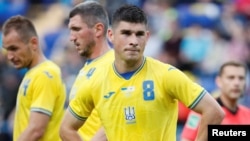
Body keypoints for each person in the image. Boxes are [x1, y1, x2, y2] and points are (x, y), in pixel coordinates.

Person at [60, 4, 224, 141]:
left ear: (147, 37)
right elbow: (66, 128)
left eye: (139, 34)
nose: (133, 41)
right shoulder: (95, 81)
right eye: (126, 33)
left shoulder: (166, 75)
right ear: (111, 35)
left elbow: (214, 111)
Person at [2, 15, 66, 141]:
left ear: (34, 43)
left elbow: (36, 130)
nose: (9, 56)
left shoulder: (45, 74)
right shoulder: (33, 73)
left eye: (14, 49)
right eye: (7, 50)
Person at [63, 1, 113, 141]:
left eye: (77, 29)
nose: (71, 37)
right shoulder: (88, 68)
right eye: (70, 30)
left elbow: (117, 118)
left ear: (98, 29)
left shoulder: (114, 66)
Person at [181, 61, 250, 141]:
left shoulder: (248, 114)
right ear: (219, 81)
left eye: (241, 78)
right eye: (231, 77)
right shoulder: (202, 111)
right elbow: (186, 139)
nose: (236, 83)